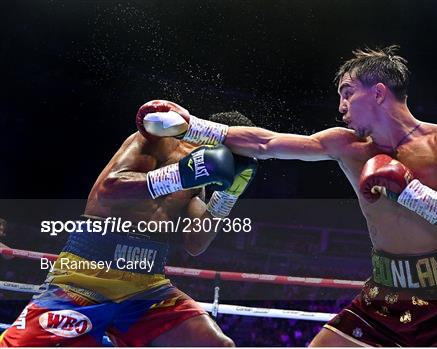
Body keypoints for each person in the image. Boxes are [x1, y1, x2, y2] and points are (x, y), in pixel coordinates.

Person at [135, 46, 437, 347]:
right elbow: (267, 141)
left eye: (347, 93)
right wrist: (192, 125)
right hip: (384, 297)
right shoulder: (347, 145)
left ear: (378, 93)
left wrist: (411, 192)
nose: (340, 106)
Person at [0, 111, 257, 347]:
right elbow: (111, 187)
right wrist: (181, 174)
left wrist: (227, 197)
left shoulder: (200, 179)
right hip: (86, 275)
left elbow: (195, 244)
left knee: (216, 345)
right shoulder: (155, 139)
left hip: (147, 285)